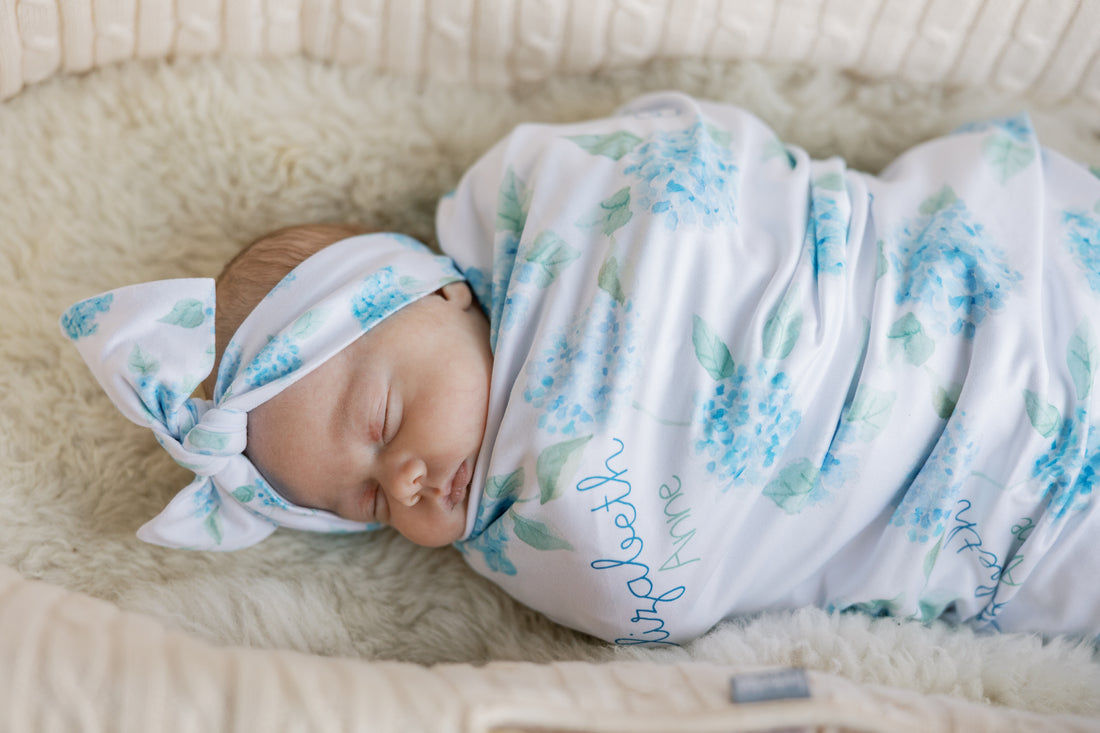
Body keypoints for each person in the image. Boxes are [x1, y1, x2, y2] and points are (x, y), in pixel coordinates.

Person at [62, 92, 1100, 646]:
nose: (407, 483)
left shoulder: (544, 201)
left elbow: (687, 164)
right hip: (987, 500)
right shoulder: (521, 536)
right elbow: (658, 591)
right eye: (373, 506)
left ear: (438, 292)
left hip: (959, 288)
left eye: (382, 425)